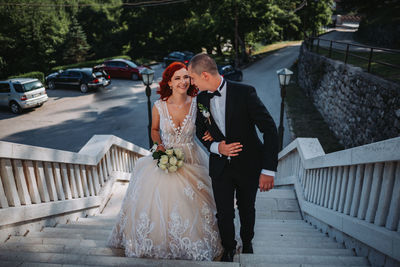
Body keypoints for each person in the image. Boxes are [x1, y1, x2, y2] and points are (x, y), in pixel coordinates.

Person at [107, 62, 222, 261]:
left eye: (186, 77)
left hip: (192, 157)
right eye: (177, 78)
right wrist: (159, 146)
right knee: (160, 204)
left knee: (194, 203)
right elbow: (154, 130)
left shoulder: (198, 103)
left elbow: (209, 125)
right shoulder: (159, 106)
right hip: (164, 157)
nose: (183, 81)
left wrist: (212, 136)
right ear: (169, 82)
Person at [188, 53, 279, 262]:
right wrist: (216, 147)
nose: (191, 83)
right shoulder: (201, 99)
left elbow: (270, 129)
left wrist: (268, 170)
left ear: (204, 75)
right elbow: (201, 131)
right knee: (224, 213)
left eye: (192, 78)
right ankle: (228, 248)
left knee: (247, 209)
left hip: (248, 165)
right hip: (220, 167)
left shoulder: (245, 93)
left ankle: (247, 243)